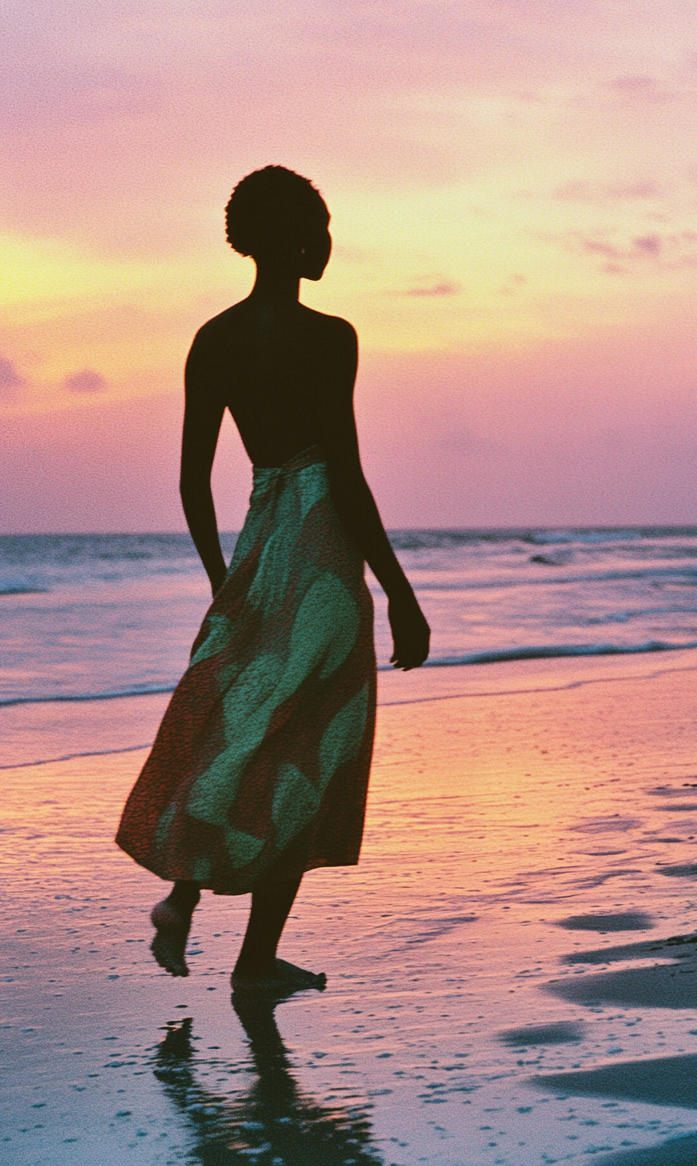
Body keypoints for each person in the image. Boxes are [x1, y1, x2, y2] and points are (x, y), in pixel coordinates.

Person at [116, 165, 430, 995]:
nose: (328, 245)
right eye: (321, 229)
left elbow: (191, 484)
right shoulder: (330, 336)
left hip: (260, 546)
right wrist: (398, 591)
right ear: (296, 239)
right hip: (324, 548)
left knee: (242, 726)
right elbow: (347, 474)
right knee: (311, 748)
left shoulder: (213, 339)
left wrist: (229, 580)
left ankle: (186, 894)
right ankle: (255, 962)